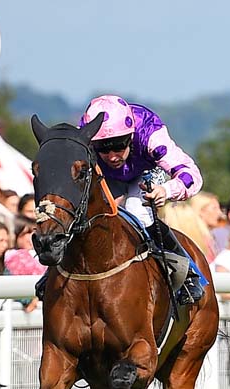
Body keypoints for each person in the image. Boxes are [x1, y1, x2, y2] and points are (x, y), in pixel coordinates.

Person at [75, 94, 205, 304]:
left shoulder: (150, 135)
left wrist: (166, 190)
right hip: (106, 176)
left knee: (137, 211)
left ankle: (188, 274)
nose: (112, 155)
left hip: (145, 172)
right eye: (103, 148)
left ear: (130, 137)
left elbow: (192, 175)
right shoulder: (83, 140)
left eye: (118, 145)